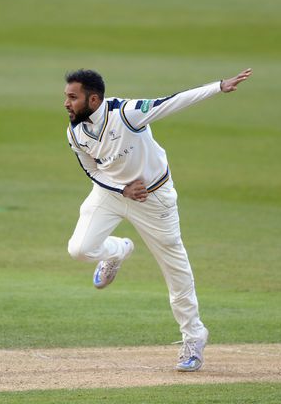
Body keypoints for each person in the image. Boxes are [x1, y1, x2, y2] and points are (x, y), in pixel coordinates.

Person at [63, 68, 252, 371]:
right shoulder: (75, 132)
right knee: (79, 250)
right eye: (66, 97)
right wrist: (122, 189)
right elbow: (92, 171)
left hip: (153, 198)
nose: (66, 103)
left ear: (94, 99)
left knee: (174, 266)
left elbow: (172, 102)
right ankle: (118, 251)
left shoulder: (127, 113)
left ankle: (194, 336)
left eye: (73, 97)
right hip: (111, 194)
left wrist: (217, 87)